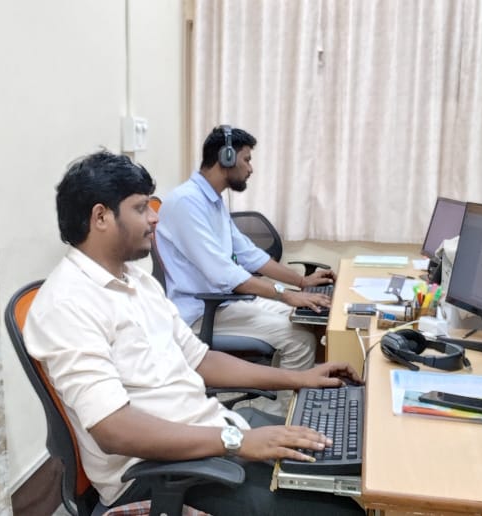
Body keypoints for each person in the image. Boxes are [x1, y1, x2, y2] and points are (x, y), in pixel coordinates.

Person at [24, 151, 365, 515]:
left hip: (208, 433)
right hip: (160, 473)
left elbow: (200, 359)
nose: (155, 217)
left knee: (343, 460)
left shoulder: (136, 281)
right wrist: (237, 441)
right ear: (101, 217)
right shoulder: (67, 304)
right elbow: (114, 430)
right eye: (140, 208)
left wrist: (300, 378)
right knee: (341, 510)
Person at [155, 126, 335, 377]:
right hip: (201, 312)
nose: (250, 168)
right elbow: (224, 274)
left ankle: (296, 389)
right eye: (247, 159)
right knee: (299, 338)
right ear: (226, 158)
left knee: (310, 317)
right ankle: (289, 402)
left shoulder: (212, 200)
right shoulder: (186, 203)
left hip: (226, 303)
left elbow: (249, 254)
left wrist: (302, 283)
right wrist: (285, 295)